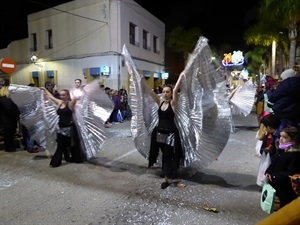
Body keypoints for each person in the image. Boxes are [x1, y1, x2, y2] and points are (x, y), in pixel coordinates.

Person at [148, 73, 185, 189]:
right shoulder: (160, 103)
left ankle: (166, 179)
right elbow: (151, 93)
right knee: (164, 154)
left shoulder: (173, 104)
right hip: (159, 134)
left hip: (170, 134)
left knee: (167, 155)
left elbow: (175, 91)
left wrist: (180, 77)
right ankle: (169, 171)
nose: (165, 93)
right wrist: (140, 81)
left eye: (167, 92)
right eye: (164, 92)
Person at [40, 86, 82, 167]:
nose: (61, 96)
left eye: (63, 95)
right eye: (61, 95)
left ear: (67, 95)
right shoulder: (60, 102)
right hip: (60, 128)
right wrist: (45, 89)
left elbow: (76, 98)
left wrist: (80, 89)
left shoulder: (70, 104)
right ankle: (58, 161)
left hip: (69, 129)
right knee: (60, 145)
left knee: (71, 145)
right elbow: (51, 97)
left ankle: (73, 158)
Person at [265, 126, 300, 209]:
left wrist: (274, 176)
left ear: (293, 140)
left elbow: (290, 172)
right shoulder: (282, 149)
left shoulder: (294, 155)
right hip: (277, 184)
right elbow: (274, 163)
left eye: (284, 137)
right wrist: (268, 172)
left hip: (286, 187)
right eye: (280, 136)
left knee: (285, 205)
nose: (281, 139)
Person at [0, 77, 20, 152]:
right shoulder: (5, 100)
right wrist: (17, 114)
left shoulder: (3, 99)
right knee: (9, 134)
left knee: (8, 135)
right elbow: (9, 109)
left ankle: (9, 147)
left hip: (6, 120)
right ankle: (9, 147)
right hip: (8, 120)